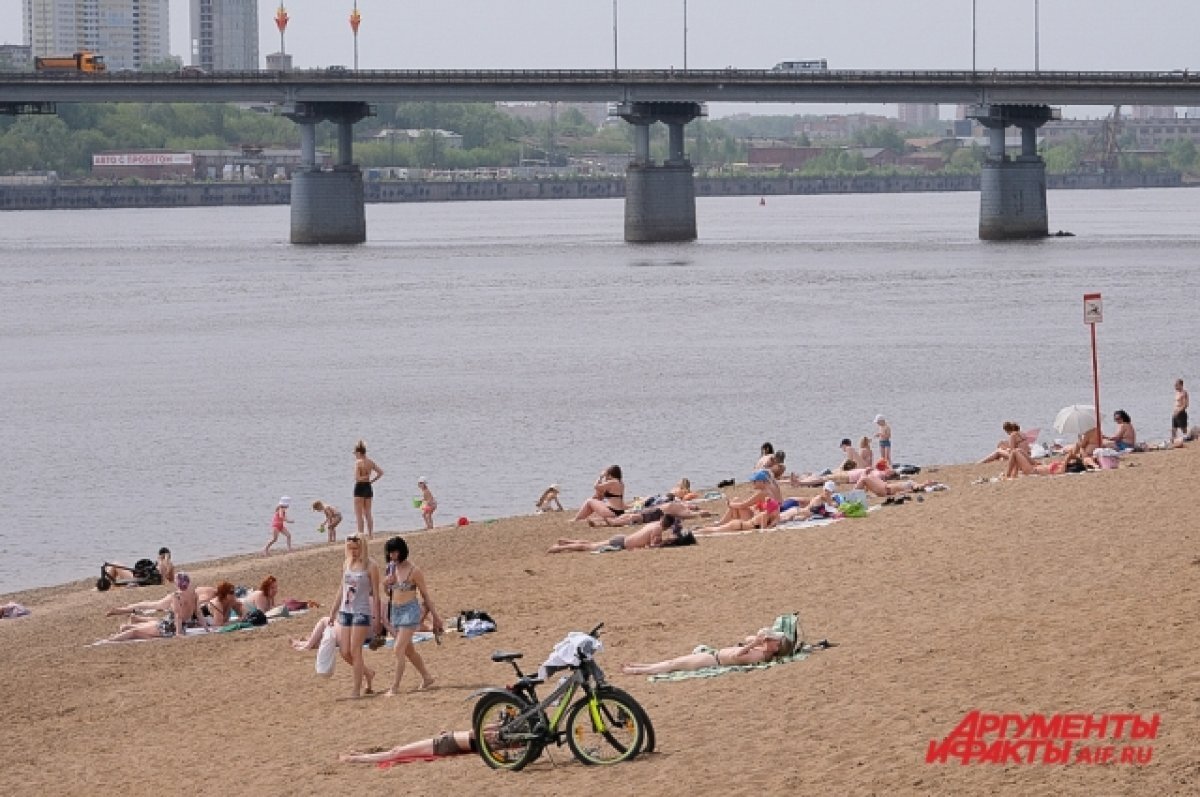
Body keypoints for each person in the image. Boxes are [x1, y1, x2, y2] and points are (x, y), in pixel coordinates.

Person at [382, 536, 443, 695]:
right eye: (390, 553)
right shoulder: (390, 568)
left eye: (395, 552)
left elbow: (425, 595)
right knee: (409, 651)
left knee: (398, 649)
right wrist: (386, 584)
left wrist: (435, 617)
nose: (392, 556)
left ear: (401, 551)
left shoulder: (414, 570)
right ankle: (427, 677)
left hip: (410, 611)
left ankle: (394, 687)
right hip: (396, 610)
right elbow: (389, 593)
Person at [328, 535, 381, 698]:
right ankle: (368, 673)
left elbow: (376, 595)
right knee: (344, 652)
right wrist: (332, 612)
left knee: (355, 650)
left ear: (363, 547)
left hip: (361, 611)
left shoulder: (371, 566)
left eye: (356, 548)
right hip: (345, 611)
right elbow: (341, 589)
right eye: (350, 548)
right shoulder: (347, 563)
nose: (353, 551)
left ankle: (356, 690)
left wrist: (377, 618)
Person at [621, 626, 794, 675]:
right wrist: (759, 639)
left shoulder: (759, 655)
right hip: (712, 656)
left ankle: (637, 670)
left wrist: (755, 642)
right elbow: (748, 638)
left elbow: (737, 655)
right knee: (673, 662)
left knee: (673, 664)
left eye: (774, 640)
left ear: (776, 647)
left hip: (712, 660)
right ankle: (641, 666)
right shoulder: (763, 649)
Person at [102, 572, 212, 642]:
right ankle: (125, 627)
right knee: (140, 630)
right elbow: (198, 613)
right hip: (179, 627)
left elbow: (178, 616)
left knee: (135, 633)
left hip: (168, 627)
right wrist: (206, 629)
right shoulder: (194, 594)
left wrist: (178, 634)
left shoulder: (177, 596)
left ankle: (111, 640)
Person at [548, 513, 695, 553]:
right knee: (588, 547)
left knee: (591, 544)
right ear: (668, 526)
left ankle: (566, 542)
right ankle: (559, 548)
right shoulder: (657, 530)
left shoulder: (654, 524)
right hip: (621, 543)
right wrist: (661, 544)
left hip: (622, 538)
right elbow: (652, 545)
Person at [339, 730, 478, 764]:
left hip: (443, 744)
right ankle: (361, 756)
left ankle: (357, 759)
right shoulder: (486, 739)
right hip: (448, 742)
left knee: (397, 752)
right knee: (398, 751)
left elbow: (473, 733)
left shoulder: (485, 737)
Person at [586, 498, 711, 528]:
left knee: (633, 517)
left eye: (693, 506)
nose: (691, 505)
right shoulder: (680, 504)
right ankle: (601, 522)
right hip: (654, 509)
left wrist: (703, 512)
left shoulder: (683, 510)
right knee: (627, 515)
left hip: (657, 513)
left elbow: (697, 514)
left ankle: (611, 523)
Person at [353, 439, 384, 538]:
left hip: (359, 488)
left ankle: (361, 535)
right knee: (368, 513)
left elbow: (357, 478)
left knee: (359, 514)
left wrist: (364, 477)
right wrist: (371, 480)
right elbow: (380, 472)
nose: (355, 455)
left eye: (355, 453)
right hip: (368, 487)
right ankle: (370, 534)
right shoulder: (370, 462)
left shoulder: (358, 463)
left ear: (359, 453)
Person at [102, 547, 175, 587]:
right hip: (145, 581)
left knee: (115, 564)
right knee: (116, 567)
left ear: (159, 555)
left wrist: (161, 561)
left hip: (141, 581)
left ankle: (103, 584)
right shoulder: (170, 565)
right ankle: (108, 583)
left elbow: (163, 580)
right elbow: (171, 580)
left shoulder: (160, 563)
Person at [1172, 379, 1189, 445]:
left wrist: (1179, 411)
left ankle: (1187, 439)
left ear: (1181, 385)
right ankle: (1173, 441)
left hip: (1181, 413)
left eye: (1177, 385)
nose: (1175, 386)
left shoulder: (1184, 393)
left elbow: (1186, 405)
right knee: (1174, 429)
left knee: (1184, 429)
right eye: (1175, 385)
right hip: (1175, 414)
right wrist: (1175, 412)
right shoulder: (1177, 393)